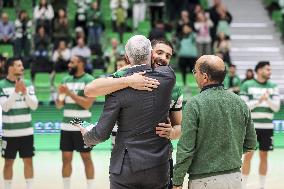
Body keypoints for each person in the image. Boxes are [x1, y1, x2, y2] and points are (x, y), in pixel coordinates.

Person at [84, 39, 183, 188]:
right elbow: (90, 89)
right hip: (140, 159)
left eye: (168, 56)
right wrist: (129, 80)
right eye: (159, 52)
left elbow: (180, 128)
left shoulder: (173, 86)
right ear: (149, 53)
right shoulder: (122, 79)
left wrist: (172, 132)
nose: (163, 58)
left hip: (158, 156)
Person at [172, 55, 257, 189]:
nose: (194, 75)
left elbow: (186, 149)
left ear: (205, 76)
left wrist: (177, 181)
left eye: (195, 72)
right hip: (234, 179)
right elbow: (251, 144)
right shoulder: (240, 102)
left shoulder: (194, 104)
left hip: (203, 180)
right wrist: (228, 154)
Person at [55, 55, 95, 189]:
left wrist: (69, 93)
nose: (69, 65)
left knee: (86, 158)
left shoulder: (89, 80)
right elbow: (59, 105)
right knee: (65, 159)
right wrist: (59, 96)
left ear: (81, 64)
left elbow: (87, 105)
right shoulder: (65, 80)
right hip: (66, 126)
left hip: (83, 127)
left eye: (72, 62)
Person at [240, 61, 280, 189]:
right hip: (251, 126)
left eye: (270, 69)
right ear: (259, 70)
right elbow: (244, 107)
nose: (270, 72)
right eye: (267, 69)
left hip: (267, 127)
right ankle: (243, 186)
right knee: (248, 156)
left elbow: (276, 108)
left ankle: (262, 187)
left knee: (264, 155)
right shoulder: (247, 85)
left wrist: (267, 99)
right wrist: (259, 100)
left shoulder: (273, 86)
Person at [0, 57, 38, 189]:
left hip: (27, 132)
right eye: (19, 65)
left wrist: (25, 92)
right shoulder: (1, 85)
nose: (22, 68)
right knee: (8, 162)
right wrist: (16, 92)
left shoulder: (28, 83)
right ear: (10, 68)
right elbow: (5, 107)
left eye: (22, 66)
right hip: (9, 133)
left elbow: (34, 106)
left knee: (28, 161)